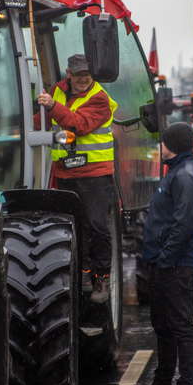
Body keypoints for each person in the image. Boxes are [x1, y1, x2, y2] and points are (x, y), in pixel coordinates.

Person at [130, 122, 193, 385]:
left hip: (176, 266)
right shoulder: (174, 172)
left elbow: (184, 224)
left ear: (170, 145)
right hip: (163, 264)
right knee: (162, 326)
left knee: (181, 327)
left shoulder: (183, 177)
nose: (159, 148)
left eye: (162, 143)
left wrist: (166, 259)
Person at [37, 54, 118, 303]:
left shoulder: (100, 98)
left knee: (97, 226)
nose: (84, 79)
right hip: (64, 172)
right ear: (68, 74)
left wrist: (51, 106)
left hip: (94, 174)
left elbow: (78, 124)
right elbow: (45, 122)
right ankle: (78, 275)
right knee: (71, 228)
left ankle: (101, 278)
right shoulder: (56, 92)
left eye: (87, 74)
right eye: (79, 74)